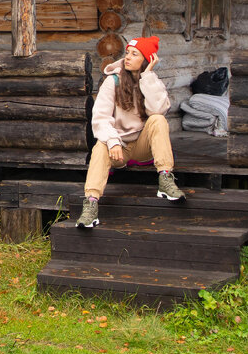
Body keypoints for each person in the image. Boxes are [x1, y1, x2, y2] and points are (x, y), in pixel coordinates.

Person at [76, 35, 183, 229]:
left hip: (142, 146)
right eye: (127, 53)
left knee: (158, 120)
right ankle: (91, 204)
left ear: (146, 60)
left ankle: (165, 179)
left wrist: (148, 76)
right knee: (100, 145)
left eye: (135, 54)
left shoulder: (151, 80)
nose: (128, 57)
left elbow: (158, 110)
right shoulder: (113, 82)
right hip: (119, 148)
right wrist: (113, 140)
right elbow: (99, 118)